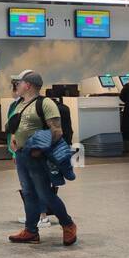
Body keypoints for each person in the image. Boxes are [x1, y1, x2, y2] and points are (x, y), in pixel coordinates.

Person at [6, 70, 77, 246]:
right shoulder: (21, 103)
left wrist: (38, 150)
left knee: (44, 194)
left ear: (28, 84)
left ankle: (68, 225)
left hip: (37, 156)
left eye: (20, 82)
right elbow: (19, 126)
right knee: (28, 193)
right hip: (22, 155)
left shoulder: (46, 104)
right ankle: (31, 231)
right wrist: (15, 140)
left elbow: (57, 131)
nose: (17, 86)